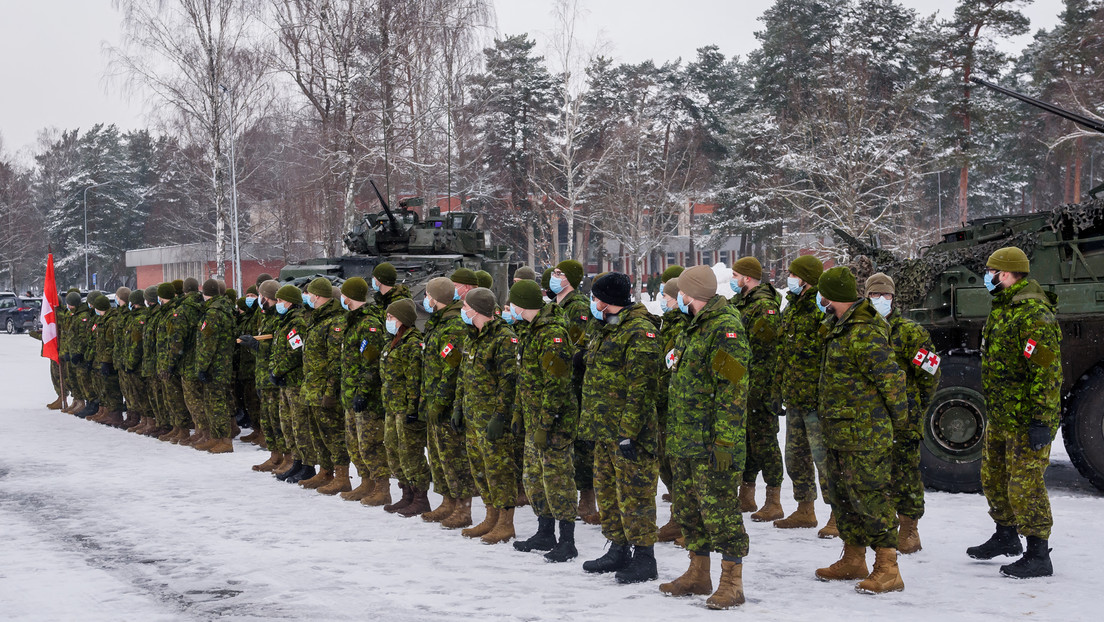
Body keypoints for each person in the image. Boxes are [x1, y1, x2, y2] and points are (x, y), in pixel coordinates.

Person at [659, 265, 751, 609]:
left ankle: (732, 582)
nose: (678, 297)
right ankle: (698, 572)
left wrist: (725, 442)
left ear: (690, 293)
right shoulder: (692, 326)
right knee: (689, 509)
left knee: (721, 512)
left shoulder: (724, 329)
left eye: (681, 291)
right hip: (685, 439)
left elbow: (734, 388)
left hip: (712, 443)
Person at [967, 247, 1061, 579]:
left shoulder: (1033, 313)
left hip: (1026, 418)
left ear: (1005, 274)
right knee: (993, 478)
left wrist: (1040, 419)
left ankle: (1038, 553)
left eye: (990, 270)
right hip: (1003, 415)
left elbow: (1046, 371)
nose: (987, 276)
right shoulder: (1004, 308)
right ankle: (1006, 536)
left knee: (1024, 485)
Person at [814, 267, 908, 594]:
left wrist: (901, 425)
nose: (819, 300)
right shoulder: (837, 326)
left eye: (822, 294)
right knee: (844, 499)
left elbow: (892, 382)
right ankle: (854, 558)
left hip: (865, 433)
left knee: (871, 498)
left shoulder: (865, 331)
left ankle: (888, 568)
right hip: (839, 432)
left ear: (832, 296)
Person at [579, 272, 661, 584]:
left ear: (608, 300)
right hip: (604, 430)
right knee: (609, 492)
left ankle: (644, 556)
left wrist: (628, 431)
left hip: (629, 433)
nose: (593, 302)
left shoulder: (639, 330)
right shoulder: (606, 325)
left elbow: (641, 388)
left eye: (596, 296)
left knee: (635, 495)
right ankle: (618, 547)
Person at [865, 273, 940, 554]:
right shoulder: (863, 330)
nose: (880, 300)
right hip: (870, 419)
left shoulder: (911, 332)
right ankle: (883, 530)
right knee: (873, 476)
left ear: (894, 298)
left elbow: (930, 372)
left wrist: (916, 404)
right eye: (874, 295)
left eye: (885, 295)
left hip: (903, 418)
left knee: (905, 475)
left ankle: (909, 530)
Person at [509, 279, 579, 562]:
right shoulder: (531, 331)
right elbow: (525, 379)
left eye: (512, 301)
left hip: (553, 423)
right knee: (534, 479)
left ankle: (567, 540)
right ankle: (545, 531)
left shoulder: (552, 335)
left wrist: (546, 424)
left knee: (558, 480)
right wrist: (518, 413)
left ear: (521, 303)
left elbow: (558, 383)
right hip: (533, 419)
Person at [452, 287, 520, 544]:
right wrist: (458, 406)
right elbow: (463, 376)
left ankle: (505, 522)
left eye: (465, 306)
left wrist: (500, 416)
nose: (463, 311)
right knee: (480, 469)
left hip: (492, 419)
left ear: (477, 309)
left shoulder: (504, 338)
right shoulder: (473, 336)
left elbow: (509, 381)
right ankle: (491, 516)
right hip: (473, 418)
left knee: (499, 470)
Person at [772, 255, 831, 533]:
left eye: (794, 274)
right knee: (795, 457)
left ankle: (838, 515)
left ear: (806, 279)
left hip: (817, 401)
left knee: (826, 460)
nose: (789, 278)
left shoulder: (821, 309)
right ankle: (805, 509)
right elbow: (783, 352)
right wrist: (778, 388)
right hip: (795, 396)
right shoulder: (792, 308)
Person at [418, 277, 477, 527]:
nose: (426, 300)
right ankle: (447, 502)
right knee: (439, 457)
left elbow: (450, 370)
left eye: (429, 295)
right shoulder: (438, 322)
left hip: (447, 402)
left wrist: (441, 401)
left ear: (437, 298)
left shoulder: (452, 325)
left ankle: (462, 509)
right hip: (434, 399)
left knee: (454, 458)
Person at [731, 257, 785, 523]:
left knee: (766, 444)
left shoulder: (764, 306)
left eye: (735, 274)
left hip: (760, 387)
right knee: (748, 443)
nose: (733, 279)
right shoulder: (743, 301)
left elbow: (761, 352)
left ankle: (773, 500)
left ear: (748, 278)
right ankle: (746, 494)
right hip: (745, 384)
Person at [549, 259, 599, 525]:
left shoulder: (577, 306)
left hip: (575, 382)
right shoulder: (558, 305)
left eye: (559, 274)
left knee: (582, 444)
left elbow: (578, 345)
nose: (554, 277)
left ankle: (588, 497)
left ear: (569, 279)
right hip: (563, 380)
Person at [334, 277, 389, 503]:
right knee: (354, 444)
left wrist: (363, 392)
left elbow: (371, 362)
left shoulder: (368, 324)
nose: (342, 299)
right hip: (350, 394)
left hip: (366, 397)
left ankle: (382, 488)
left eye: (344, 295)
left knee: (370, 444)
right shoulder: (352, 321)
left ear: (350, 296)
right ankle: (366, 482)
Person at [379, 298, 432, 516]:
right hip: (392, 406)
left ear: (403, 319)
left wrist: (413, 409)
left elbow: (414, 379)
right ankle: (406, 494)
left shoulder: (412, 343)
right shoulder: (393, 341)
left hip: (406, 408)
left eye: (391, 317)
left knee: (411, 454)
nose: (388, 321)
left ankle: (420, 497)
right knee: (393, 450)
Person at [298, 278, 349, 494]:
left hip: (324, 389)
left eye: (310, 293)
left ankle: (342, 476)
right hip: (312, 387)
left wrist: (330, 391)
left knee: (333, 434)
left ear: (317, 295)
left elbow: (335, 361)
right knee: (318, 434)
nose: (307, 298)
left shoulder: (334, 321)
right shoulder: (317, 319)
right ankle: (325, 471)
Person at [270, 284, 316, 484]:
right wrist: (275, 371)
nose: (278, 304)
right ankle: (297, 460)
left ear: (289, 301)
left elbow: (295, 352)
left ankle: (307, 465)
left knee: (299, 425)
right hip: (286, 382)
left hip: (295, 381)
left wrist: (279, 370)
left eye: (280, 300)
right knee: (288, 424)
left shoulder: (296, 322)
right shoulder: (284, 321)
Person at [655, 267, 686, 543]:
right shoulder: (668, 322)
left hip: (676, 406)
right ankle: (679, 517)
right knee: (667, 464)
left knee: (679, 468)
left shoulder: (683, 326)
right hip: (664, 405)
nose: (663, 299)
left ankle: (686, 520)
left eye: (666, 296)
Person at [193, 278, 237, 453]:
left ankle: (225, 440)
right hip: (223, 364)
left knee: (216, 404)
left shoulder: (213, 313)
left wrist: (202, 367)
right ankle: (217, 437)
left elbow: (207, 343)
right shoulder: (226, 309)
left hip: (214, 366)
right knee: (217, 402)